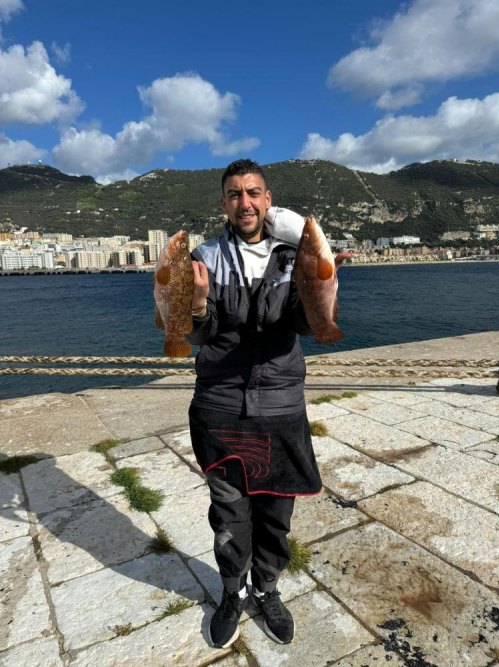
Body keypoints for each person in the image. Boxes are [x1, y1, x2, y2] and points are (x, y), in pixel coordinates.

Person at [188, 159, 323, 649]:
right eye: (234, 194)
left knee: (275, 514)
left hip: (281, 406)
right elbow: (193, 335)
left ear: (268, 200)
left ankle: (266, 589)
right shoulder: (205, 255)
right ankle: (231, 591)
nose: (244, 203)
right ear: (221, 203)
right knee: (228, 512)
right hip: (220, 407)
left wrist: (311, 270)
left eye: (254, 193)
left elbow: (310, 326)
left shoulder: (294, 254)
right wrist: (199, 303)